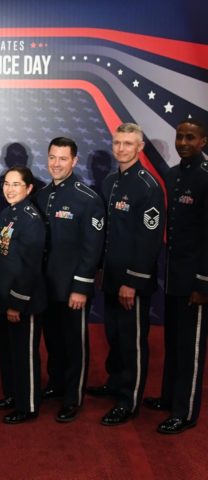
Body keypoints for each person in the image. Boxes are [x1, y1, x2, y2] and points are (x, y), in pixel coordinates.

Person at [88, 123, 165, 426]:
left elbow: (149, 240)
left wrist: (132, 282)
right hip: (110, 276)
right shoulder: (109, 182)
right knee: (114, 336)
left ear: (140, 147)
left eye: (128, 143)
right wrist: (100, 270)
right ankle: (115, 382)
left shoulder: (148, 186)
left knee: (132, 340)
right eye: (117, 142)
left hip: (131, 280)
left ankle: (129, 400)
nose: (121, 148)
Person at [34, 137, 105, 423]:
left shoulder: (87, 199)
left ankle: (73, 396)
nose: (56, 163)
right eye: (52, 157)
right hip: (46, 286)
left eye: (63, 158)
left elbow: (92, 250)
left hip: (72, 287)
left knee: (74, 342)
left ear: (74, 161)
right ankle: (56, 383)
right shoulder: (40, 195)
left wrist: (81, 287)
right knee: (52, 339)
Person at [144, 119, 208, 434]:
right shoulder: (172, 175)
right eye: (180, 136)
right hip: (172, 277)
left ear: (203, 141)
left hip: (195, 281)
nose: (183, 142)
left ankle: (185, 412)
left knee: (191, 349)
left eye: (190, 137)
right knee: (173, 343)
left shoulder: (206, 178)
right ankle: (169, 398)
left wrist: (203, 283)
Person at [0, 165, 46, 424]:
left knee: (24, 355)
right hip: (3, 297)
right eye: (7, 183)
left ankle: (29, 404)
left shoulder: (30, 218)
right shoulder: (8, 213)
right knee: (9, 352)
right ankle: (13, 395)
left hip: (22, 301)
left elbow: (29, 266)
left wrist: (16, 302)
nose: (9, 189)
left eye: (16, 184)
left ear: (29, 188)